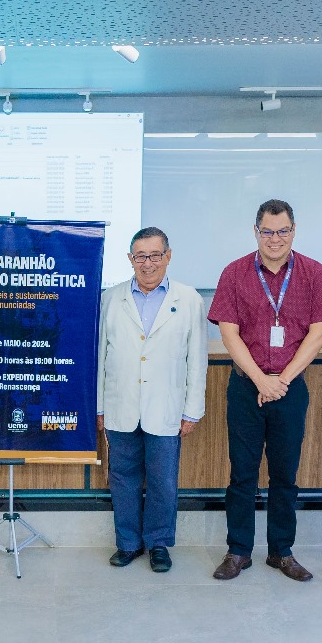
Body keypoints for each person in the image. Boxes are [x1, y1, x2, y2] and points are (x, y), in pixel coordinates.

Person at [209, 200, 322, 583]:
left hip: (291, 389)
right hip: (245, 387)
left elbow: (319, 333)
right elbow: (228, 333)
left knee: (285, 474)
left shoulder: (314, 273)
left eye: (283, 231)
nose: (275, 239)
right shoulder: (234, 273)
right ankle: (238, 551)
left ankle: (282, 552)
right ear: (256, 232)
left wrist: (281, 380)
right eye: (267, 231)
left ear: (294, 231)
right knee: (242, 474)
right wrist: (261, 380)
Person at [97, 227, 207, 572]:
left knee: (162, 481)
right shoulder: (110, 298)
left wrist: (192, 411)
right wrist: (99, 407)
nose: (147, 263)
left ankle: (159, 543)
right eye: (140, 256)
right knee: (123, 477)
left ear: (168, 256)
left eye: (155, 255)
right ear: (130, 259)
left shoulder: (189, 300)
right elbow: (100, 356)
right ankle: (128, 543)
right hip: (120, 405)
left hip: (167, 407)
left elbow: (197, 360)